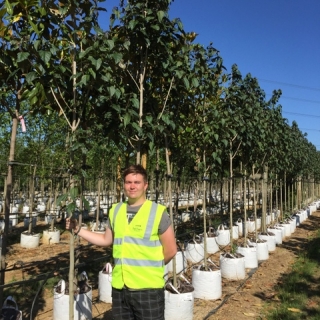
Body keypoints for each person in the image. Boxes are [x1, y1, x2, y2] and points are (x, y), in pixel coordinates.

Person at [66, 164, 177, 320]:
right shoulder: (116, 210)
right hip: (120, 288)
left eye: (137, 182)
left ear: (145, 185)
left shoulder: (157, 212)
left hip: (148, 289)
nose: (132, 186)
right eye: (128, 182)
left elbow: (171, 250)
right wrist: (78, 230)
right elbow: (106, 240)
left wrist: (149, 267)